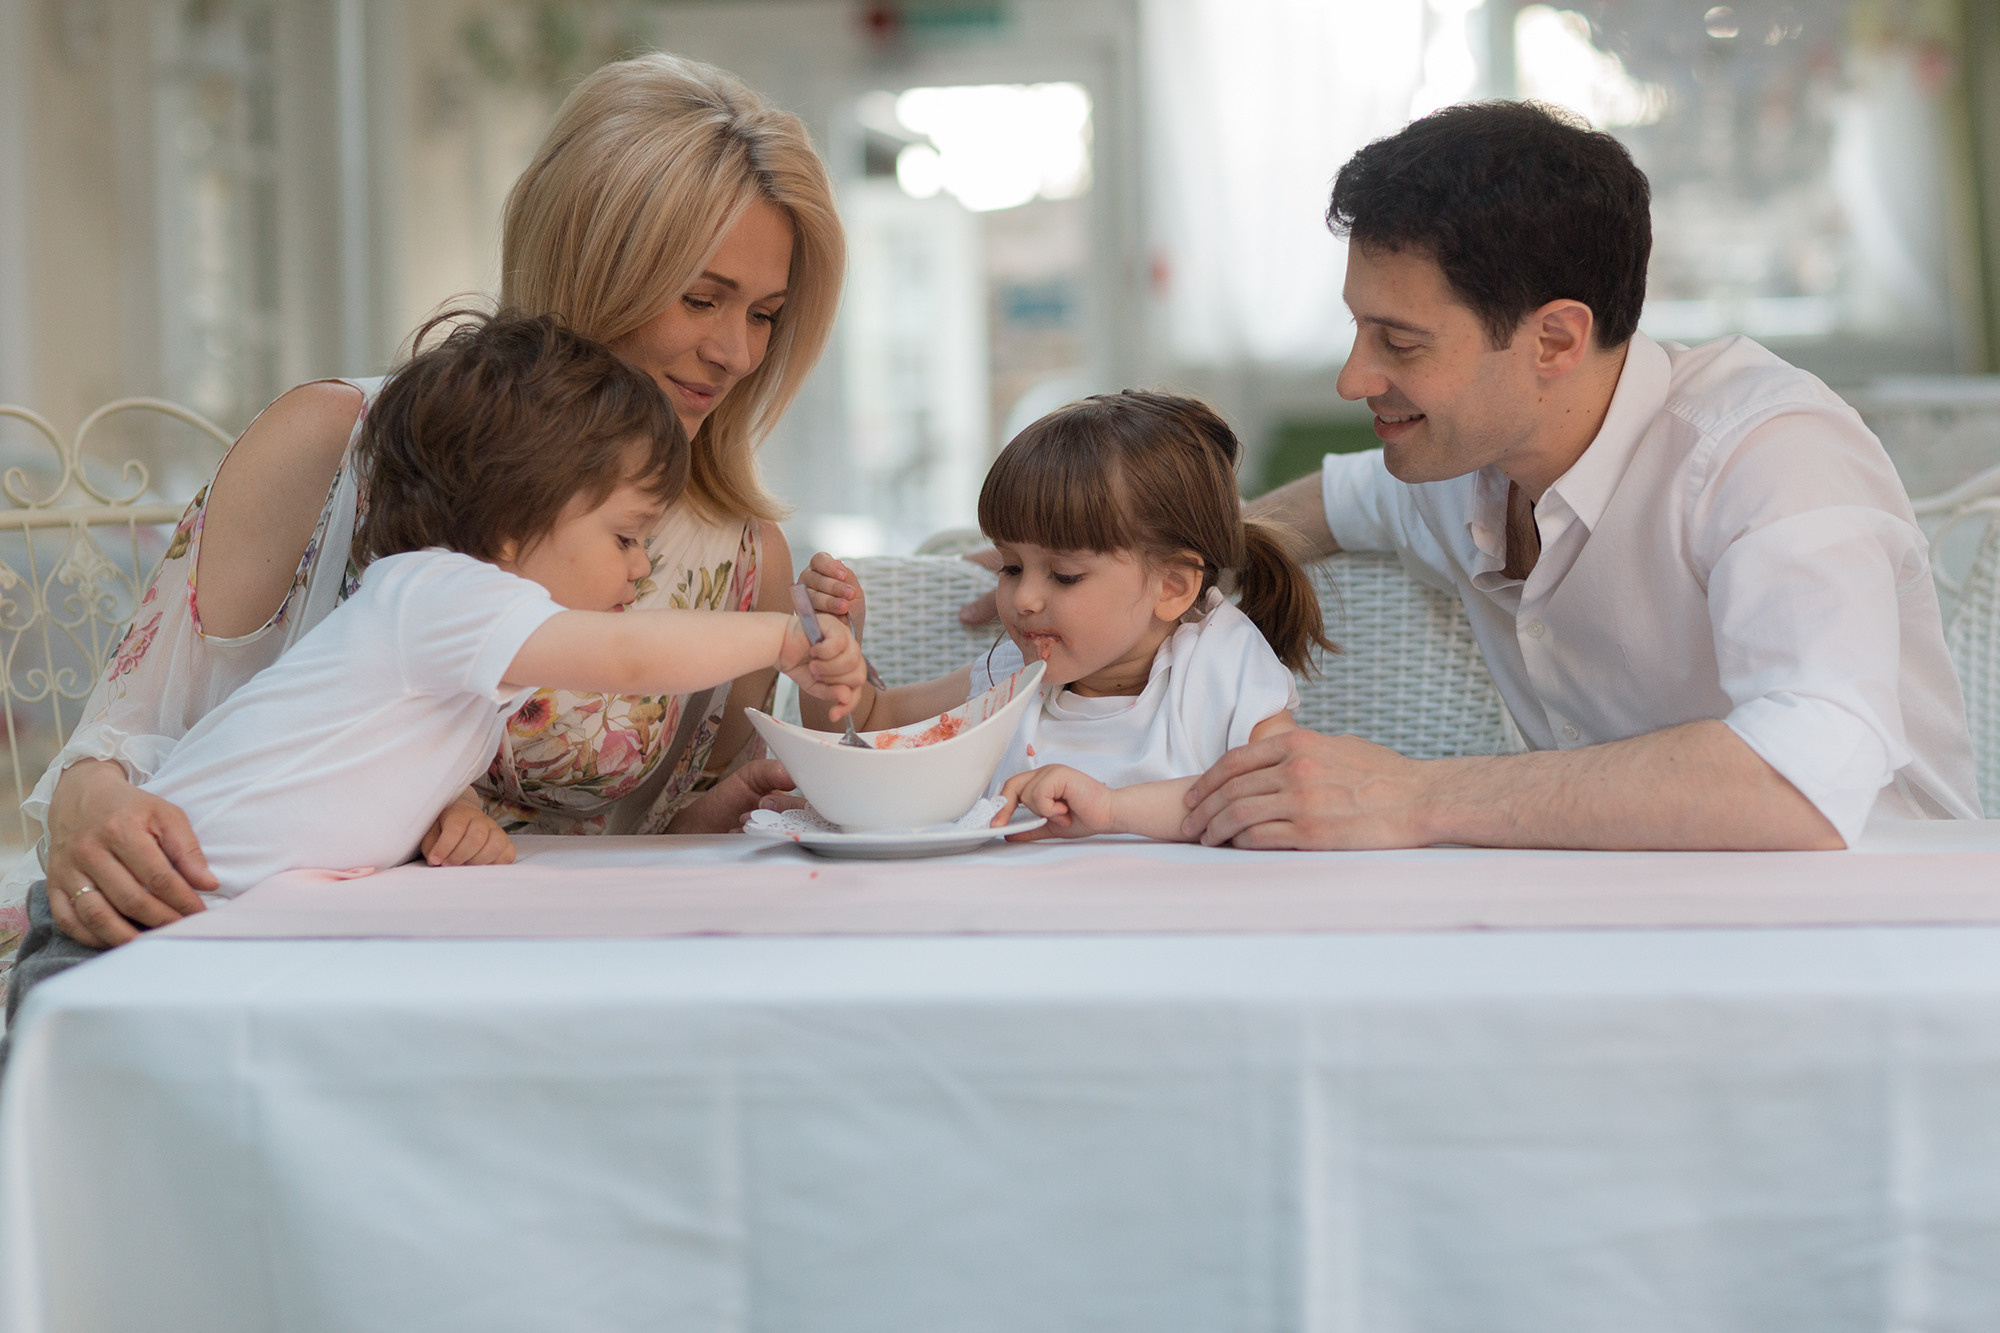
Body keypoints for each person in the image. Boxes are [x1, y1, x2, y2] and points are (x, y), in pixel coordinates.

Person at [13, 52, 845, 959]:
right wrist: (90, 809)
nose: (735, 352)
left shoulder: (741, 556)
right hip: (241, 947)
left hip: (531, 974)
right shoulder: (339, 441)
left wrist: (729, 807)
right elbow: (117, 749)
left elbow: (651, 856)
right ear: (592, 265)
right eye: (700, 298)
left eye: (765, 313)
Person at [1177, 100, 1979, 850]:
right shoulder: (1463, 465)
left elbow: (1802, 779)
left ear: (1556, 340)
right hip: (1623, 930)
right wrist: (1156, 571)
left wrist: (1413, 797)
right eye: (1359, 328)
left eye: (1401, 341)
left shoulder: (1767, 451)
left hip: (1882, 939)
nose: (1354, 379)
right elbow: (1324, 506)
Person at [138, 313, 862, 897]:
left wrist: (453, 814)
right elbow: (629, 657)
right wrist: (781, 638)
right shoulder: (440, 593)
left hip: (217, 909)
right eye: (624, 537)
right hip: (145, 914)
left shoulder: (454, 646)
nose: (641, 568)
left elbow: (372, 767)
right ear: (512, 528)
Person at [805, 391, 1332, 840]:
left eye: (1064, 575)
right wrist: (834, 649)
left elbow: (1285, 793)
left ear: (1172, 586)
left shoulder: (1220, 665)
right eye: (1011, 566)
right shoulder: (1011, 674)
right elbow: (867, 726)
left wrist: (1111, 809)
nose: (1024, 599)